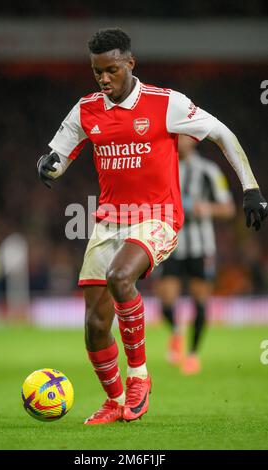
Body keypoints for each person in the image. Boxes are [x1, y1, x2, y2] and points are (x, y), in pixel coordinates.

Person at [37, 28, 267, 425]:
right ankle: (114, 402)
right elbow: (59, 153)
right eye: (97, 72)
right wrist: (49, 166)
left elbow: (222, 133)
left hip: (158, 217)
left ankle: (139, 377)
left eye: (111, 70)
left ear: (130, 63)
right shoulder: (86, 109)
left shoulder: (167, 104)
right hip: (110, 220)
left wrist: (251, 188)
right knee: (94, 325)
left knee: (120, 276)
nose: (104, 79)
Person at [156, 135, 235, 375]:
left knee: (200, 302)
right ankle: (177, 333)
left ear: (194, 140)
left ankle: (192, 355)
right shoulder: (160, 165)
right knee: (166, 302)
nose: (180, 140)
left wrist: (206, 208)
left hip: (202, 247)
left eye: (185, 136)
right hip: (170, 243)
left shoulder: (208, 171)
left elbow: (229, 208)